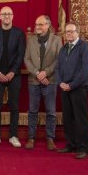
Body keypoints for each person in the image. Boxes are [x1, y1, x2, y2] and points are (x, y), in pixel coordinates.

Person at [0, 6, 25, 148]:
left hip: (14, 75)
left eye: (9, 13)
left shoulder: (19, 33)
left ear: (13, 16)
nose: (6, 16)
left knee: (14, 106)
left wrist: (12, 72)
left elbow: (20, 54)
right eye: (4, 14)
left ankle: (13, 135)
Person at [24, 15, 62, 150]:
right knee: (32, 111)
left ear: (48, 25)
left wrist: (45, 72)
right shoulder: (31, 39)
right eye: (36, 24)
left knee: (51, 111)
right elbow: (27, 59)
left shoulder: (57, 40)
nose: (37, 27)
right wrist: (37, 73)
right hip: (34, 81)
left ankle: (50, 138)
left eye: (40, 24)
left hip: (50, 81)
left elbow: (59, 59)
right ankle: (31, 138)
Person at [55, 22, 88, 159]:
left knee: (80, 118)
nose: (68, 34)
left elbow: (85, 71)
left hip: (78, 88)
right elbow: (57, 68)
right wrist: (61, 83)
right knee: (68, 118)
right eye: (66, 32)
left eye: (71, 31)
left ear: (78, 32)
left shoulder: (84, 47)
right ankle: (71, 145)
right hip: (64, 88)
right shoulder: (64, 48)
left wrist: (71, 85)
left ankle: (83, 148)